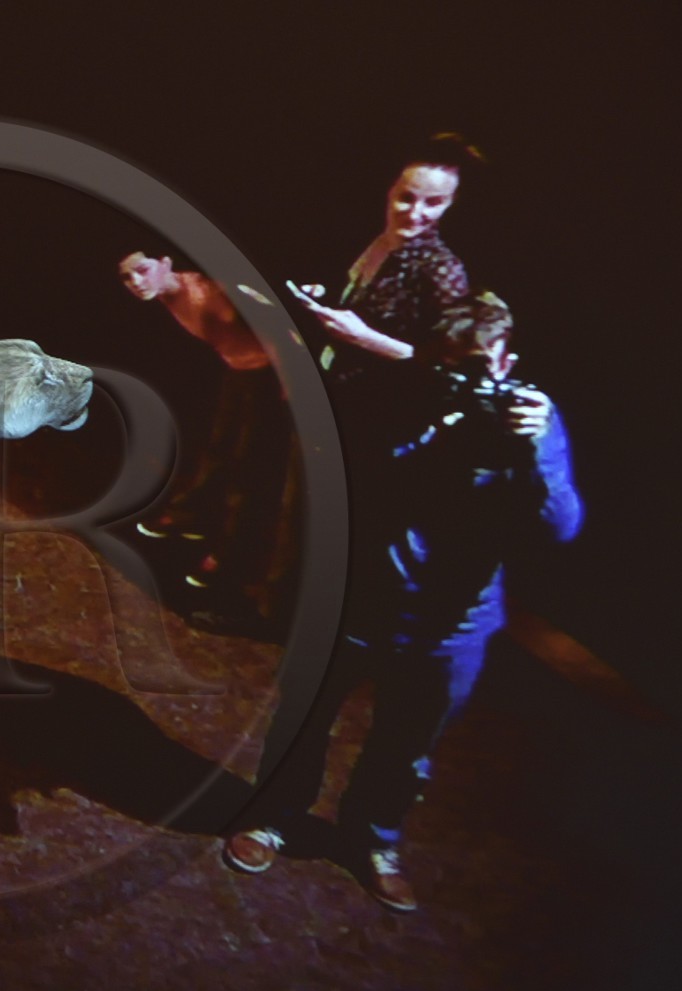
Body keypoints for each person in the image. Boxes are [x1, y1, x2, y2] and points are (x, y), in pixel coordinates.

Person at [222, 293, 583, 912]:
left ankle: (374, 843)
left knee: (407, 748)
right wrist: (435, 416)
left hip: (452, 626)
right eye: (448, 364)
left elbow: (560, 526)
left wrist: (532, 450)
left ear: (506, 362)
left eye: (476, 367)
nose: (462, 379)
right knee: (303, 719)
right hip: (356, 603)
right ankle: (273, 817)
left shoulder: (529, 423)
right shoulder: (398, 397)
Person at [118, 251, 293, 625]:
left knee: (248, 471)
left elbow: (280, 325)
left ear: (165, 263)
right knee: (219, 451)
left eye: (143, 270)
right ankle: (190, 517)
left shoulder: (210, 289)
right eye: (128, 278)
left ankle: (226, 560)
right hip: (240, 373)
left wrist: (288, 381)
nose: (136, 283)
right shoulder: (166, 296)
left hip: (268, 379)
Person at [293, 133, 483, 386]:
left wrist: (366, 338)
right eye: (406, 198)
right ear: (389, 189)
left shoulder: (442, 269)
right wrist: (318, 294)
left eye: (434, 203)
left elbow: (446, 368)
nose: (416, 214)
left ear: (450, 203)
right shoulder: (360, 235)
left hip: (383, 403)